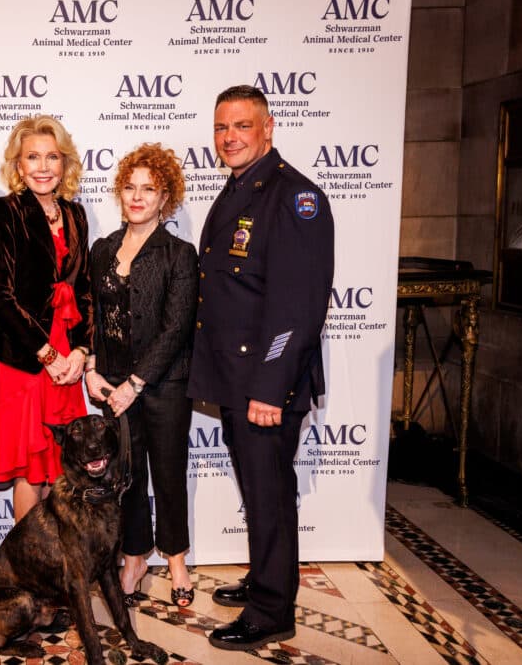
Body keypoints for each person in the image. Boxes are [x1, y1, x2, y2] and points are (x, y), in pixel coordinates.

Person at [189, 85, 334, 651]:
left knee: (270, 492)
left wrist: (271, 389)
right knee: (258, 487)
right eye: (222, 128)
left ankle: (272, 609)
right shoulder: (242, 189)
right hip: (235, 378)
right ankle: (263, 577)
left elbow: (297, 308)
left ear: (268, 128)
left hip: (266, 383)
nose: (230, 138)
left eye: (242, 126)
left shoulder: (296, 197)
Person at [85, 143, 198, 608]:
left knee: (168, 475)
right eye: (130, 187)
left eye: (148, 189)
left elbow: (176, 329)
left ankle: (176, 560)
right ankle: (134, 556)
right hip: (110, 385)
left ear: (164, 196)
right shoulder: (102, 249)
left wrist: (137, 383)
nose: (137, 196)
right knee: (126, 478)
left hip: (165, 386)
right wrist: (92, 368)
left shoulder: (179, 253)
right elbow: (93, 314)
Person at [0, 115, 92, 522]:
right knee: (30, 469)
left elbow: (84, 291)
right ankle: (25, 572)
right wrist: (48, 355)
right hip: (26, 360)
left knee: (59, 467)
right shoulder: (4, 212)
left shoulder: (76, 214)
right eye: (33, 157)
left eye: (52, 157)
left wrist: (81, 351)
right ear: (18, 165)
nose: (43, 167)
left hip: (67, 357)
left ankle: (53, 566)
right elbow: (1, 295)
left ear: (64, 164)